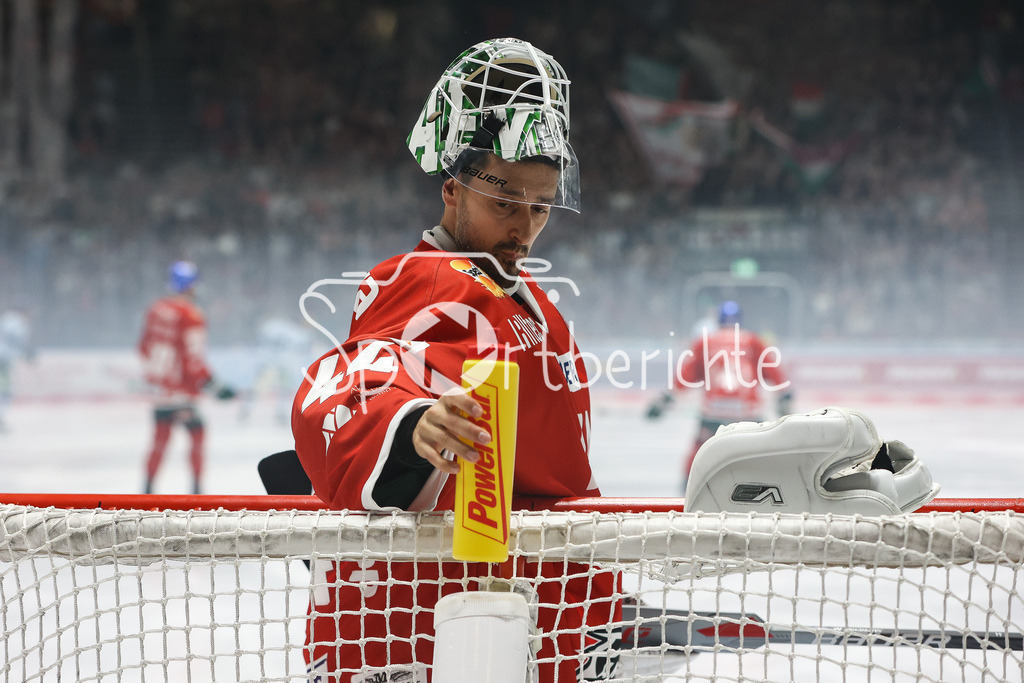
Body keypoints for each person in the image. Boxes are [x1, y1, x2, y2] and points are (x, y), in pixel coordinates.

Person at [291, 38, 619, 682]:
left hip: (521, 601)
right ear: (452, 192)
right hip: (436, 621)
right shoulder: (427, 278)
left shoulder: (511, 286)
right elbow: (350, 381)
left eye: (541, 206)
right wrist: (410, 424)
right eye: (505, 204)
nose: (525, 227)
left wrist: (590, 590)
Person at [647, 300, 793, 490]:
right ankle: (767, 487)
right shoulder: (753, 341)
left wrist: (664, 400)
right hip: (748, 413)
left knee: (701, 450)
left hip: (714, 412)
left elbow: (685, 377)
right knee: (757, 453)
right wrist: (784, 398)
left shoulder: (706, 341)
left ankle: (688, 488)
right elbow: (774, 372)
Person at [138, 261, 234, 495]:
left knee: (160, 438)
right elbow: (193, 361)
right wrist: (215, 386)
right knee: (197, 434)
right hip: (182, 392)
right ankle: (197, 491)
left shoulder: (156, 309)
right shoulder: (192, 315)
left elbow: (143, 347)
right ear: (191, 286)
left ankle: (147, 491)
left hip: (159, 392)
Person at [0, 306, 34, 431]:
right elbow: (17, 342)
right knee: (5, 391)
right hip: (3, 360)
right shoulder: (21, 324)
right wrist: (27, 353)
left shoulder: (6, 318)